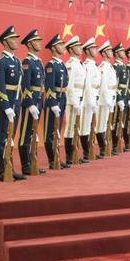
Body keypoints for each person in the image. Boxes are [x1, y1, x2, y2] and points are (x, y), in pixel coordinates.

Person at [0, 26, 25, 181]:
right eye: (12, 38)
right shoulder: (0, 62)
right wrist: (6, 107)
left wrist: (18, 103)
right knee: (1, 139)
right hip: (4, 105)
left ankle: (9, 168)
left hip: (16, 103)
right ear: (5, 42)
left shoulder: (17, 61)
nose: (16, 41)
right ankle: (2, 171)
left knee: (10, 137)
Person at [17, 29, 46, 176]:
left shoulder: (38, 62)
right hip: (31, 102)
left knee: (33, 133)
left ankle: (32, 162)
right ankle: (25, 165)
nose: (39, 43)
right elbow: (25, 85)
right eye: (36, 41)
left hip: (39, 100)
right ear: (29, 44)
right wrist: (30, 103)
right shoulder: (27, 63)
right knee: (25, 133)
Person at [43, 34, 68, 169]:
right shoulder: (51, 65)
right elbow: (49, 86)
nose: (63, 47)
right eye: (60, 45)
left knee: (57, 130)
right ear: (53, 48)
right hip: (54, 100)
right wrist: (53, 103)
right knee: (50, 131)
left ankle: (57, 156)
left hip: (62, 98)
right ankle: (52, 160)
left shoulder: (61, 65)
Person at [62, 36, 85, 167]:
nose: (80, 48)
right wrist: (74, 102)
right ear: (71, 49)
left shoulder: (79, 63)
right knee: (70, 127)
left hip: (80, 97)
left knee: (77, 127)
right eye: (77, 46)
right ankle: (69, 157)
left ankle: (75, 153)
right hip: (73, 100)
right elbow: (69, 86)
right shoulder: (70, 64)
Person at [79, 38, 100, 162]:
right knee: (85, 126)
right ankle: (86, 152)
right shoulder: (86, 65)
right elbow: (87, 85)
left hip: (94, 98)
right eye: (93, 48)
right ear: (87, 51)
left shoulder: (94, 65)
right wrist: (91, 101)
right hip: (87, 100)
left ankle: (89, 151)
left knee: (90, 126)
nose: (95, 50)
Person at [96, 41, 117, 158]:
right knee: (101, 124)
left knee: (105, 123)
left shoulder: (110, 66)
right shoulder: (103, 67)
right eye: (108, 51)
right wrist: (108, 100)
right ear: (103, 53)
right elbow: (103, 86)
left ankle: (105, 147)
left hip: (111, 97)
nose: (111, 52)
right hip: (104, 99)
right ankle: (102, 148)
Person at [111, 43, 128, 155]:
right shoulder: (116, 67)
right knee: (115, 121)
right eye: (121, 51)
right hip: (119, 98)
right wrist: (119, 98)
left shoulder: (123, 66)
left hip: (125, 97)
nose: (123, 52)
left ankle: (120, 143)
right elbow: (115, 85)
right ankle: (115, 145)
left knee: (121, 121)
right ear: (116, 54)